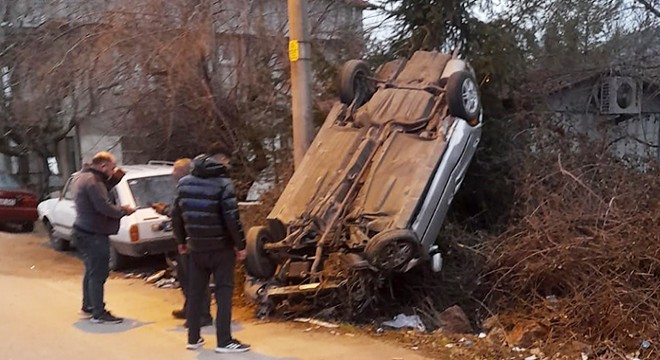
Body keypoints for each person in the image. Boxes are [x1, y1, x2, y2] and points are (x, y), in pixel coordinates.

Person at [171, 146, 250, 353]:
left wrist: (181, 241)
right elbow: (232, 219)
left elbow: (175, 215)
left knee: (196, 292)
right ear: (220, 164)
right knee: (224, 292)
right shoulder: (224, 185)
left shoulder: (184, 184)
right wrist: (240, 245)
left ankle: (193, 338)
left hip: (195, 248)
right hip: (221, 248)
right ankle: (224, 341)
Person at [72, 152, 135, 324]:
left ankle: (89, 305)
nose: (113, 170)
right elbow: (103, 206)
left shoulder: (81, 176)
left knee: (91, 270)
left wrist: (115, 179)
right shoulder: (93, 181)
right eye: (112, 168)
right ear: (103, 166)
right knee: (99, 273)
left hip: (82, 230)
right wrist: (123, 211)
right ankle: (99, 313)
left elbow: (102, 191)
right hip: (94, 233)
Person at [152, 158, 212, 327]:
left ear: (185, 172)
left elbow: (182, 212)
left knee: (196, 279)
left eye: (175, 170)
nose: (172, 174)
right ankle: (191, 309)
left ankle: (202, 315)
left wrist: (165, 210)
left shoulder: (191, 188)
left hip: (193, 240)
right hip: (184, 239)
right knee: (185, 278)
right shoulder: (185, 187)